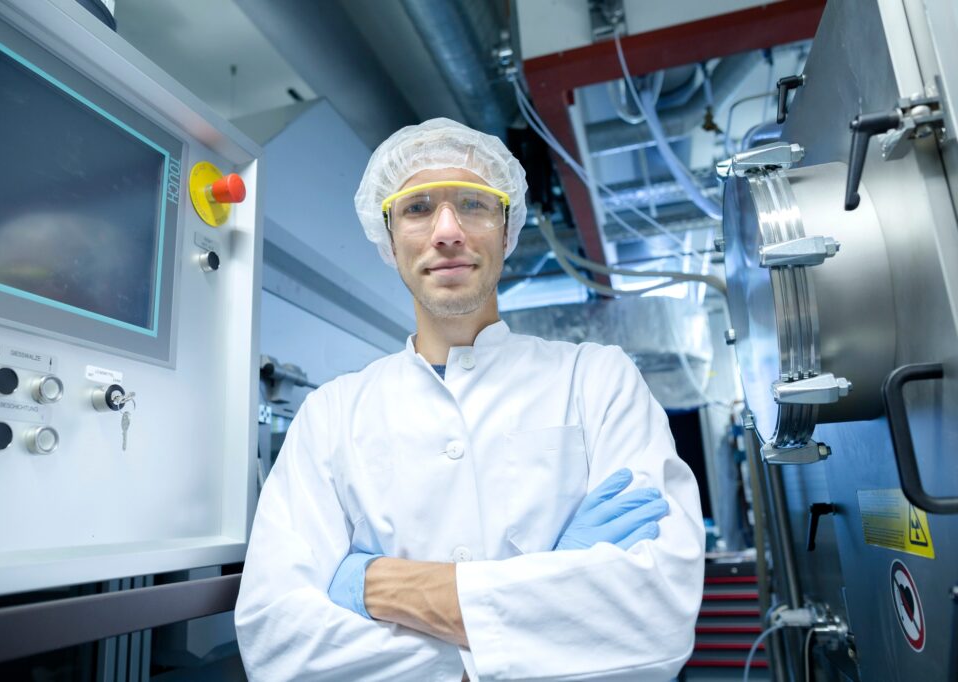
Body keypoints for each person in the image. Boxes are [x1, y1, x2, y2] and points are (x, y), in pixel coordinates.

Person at [235, 118, 705, 681]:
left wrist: (378, 584)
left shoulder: (597, 381)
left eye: (475, 204)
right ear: (387, 237)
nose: (447, 231)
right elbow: (277, 643)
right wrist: (547, 601)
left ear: (507, 230)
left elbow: (655, 616)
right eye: (417, 208)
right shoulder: (332, 414)